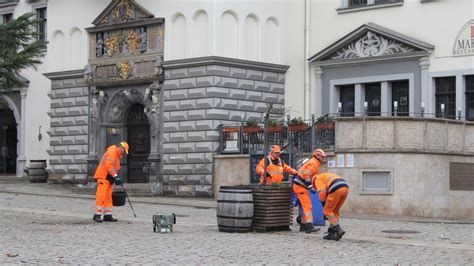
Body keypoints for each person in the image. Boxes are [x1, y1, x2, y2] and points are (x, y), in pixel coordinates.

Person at [92, 142, 129, 223]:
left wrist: (116, 177)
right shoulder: (112, 152)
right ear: (121, 148)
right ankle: (97, 215)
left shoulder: (116, 155)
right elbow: (109, 166)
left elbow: (114, 168)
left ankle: (107, 215)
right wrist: (115, 176)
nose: (124, 153)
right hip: (103, 177)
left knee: (108, 197)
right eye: (124, 150)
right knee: (101, 196)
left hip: (108, 178)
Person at [293, 148, 326, 233]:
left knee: (305, 206)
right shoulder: (314, 163)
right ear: (317, 156)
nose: (323, 159)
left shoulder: (314, 162)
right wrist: (310, 186)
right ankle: (309, 226)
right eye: (322, 157)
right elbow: (306, 175)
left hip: (300, 186)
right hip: (301, 186)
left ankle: (303, 226)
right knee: (308, 206)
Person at [313, 172, 349, 241]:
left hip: (335, 188)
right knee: (335, 210)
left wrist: (324, 205)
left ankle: (338, 229)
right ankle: (331, 233)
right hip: (345, 188)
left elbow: (322, 192)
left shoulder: (316, 179)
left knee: (327, 211)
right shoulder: (324, 176)